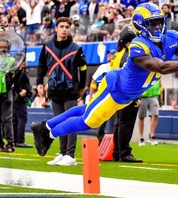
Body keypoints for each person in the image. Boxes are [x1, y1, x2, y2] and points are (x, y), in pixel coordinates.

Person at [31, 3, 178, 159]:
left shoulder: (171, 37)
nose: (157, 27)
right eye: (152, 24)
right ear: (140, 26)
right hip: (115, 90)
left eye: (159, 22)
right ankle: (49, 134)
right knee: (90, 121)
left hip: (126, 94)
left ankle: (44, 126)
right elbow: (161, 67)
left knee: (87, 109)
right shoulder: (138, 45)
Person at [36, 17, 88, 166]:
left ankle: (71, 155)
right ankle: (63, 152)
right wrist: (40, 82)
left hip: (70, 91)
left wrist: (81, 87)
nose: (64, 29)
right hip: (54, 90)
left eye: (67, 27)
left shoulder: (76, 48)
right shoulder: (47, 46)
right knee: (58, 123)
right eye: (62, 26)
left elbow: (83, 69)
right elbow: (42, 66)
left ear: (69, 29)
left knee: (71, 123)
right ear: (56, 28)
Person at [110, 27, 143, 163]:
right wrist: (135, 97)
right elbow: (130, 79)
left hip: (117, 92)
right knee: (126, 124)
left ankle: (117, 152)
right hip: (127, 94)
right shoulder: (130, 56)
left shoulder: (118, 54)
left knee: (119, 124)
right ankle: (124, 153)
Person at [89, 49, 116, 144]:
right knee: (101, 119)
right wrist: (91, 96)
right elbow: (93, 81)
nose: (109, 55)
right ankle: (100, 139)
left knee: (114, 121)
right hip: (103, 96)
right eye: (108, 53)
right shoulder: (103, 67)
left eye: (111, 54)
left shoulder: (117, 67)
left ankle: (113, 142)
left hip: (114, 97)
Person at [0, 39, 16, 152]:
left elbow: (16, 75)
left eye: (4, 46)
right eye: (0, 46)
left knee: (7, 119)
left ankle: (10, 143)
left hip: (7, 92)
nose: (2, 49)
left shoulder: (12, 60)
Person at [13, 60, 32, 148]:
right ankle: (20, 140)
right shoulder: (19, 72)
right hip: (19, 98)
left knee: (15, 119)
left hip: (15, 98)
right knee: (22, 119)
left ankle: (15, 140)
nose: (26, 62)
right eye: (24, 61)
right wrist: (22, 91)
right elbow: (16, 82)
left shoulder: (18, 71)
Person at [138, 80, 161, 147]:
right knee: (141, 116)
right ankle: (141, 138)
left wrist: (161, 97)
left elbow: (160, 84)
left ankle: (152, 136)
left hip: (154, 95)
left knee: (155, 114)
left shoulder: (157, 71)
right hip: (143, 96)